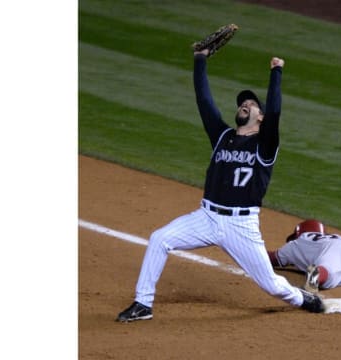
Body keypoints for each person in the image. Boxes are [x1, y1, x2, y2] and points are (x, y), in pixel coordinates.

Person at [116, 49, 324, 322]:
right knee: (159, 239)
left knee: (272, 285)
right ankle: (143, 304)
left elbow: (275, 110)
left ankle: (302, 298)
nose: (244, 105)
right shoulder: (222, 136)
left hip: (241, 226)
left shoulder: (265, 145)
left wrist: (276, 72)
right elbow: (204, 101)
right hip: (207, 216)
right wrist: (200, 60)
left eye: (250, 103)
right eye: (241, 103)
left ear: (260, 117)